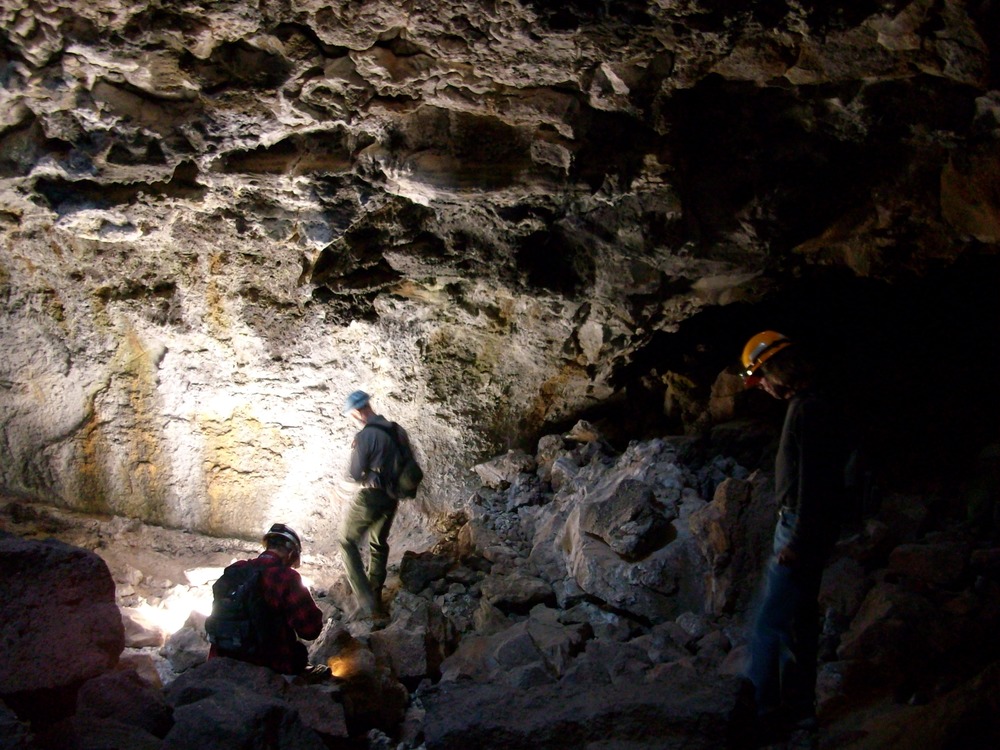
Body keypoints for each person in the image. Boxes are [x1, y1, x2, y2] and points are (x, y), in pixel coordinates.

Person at [740, 331, 846, 738]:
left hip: (800, 529)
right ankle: (799, 712)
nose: (761, 385)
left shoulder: (808, 410)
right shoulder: (813, 404)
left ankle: (761, 715)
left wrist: (797, 542)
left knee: (769, 624)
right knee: (799, 624)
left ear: (778, 369)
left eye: (761, 376)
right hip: (806, 527)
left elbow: (818, 483)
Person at [209, 523, 324, 675]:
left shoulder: (237, 569)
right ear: (291, 554)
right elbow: (310, 630)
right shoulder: (285, 577)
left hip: (222, 662)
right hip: (267, 666)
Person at [339, 389, 412, 623]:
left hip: (371, 496)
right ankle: (377, 596)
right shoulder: (395, 429)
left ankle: (366, 601)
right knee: (377, 543)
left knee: (346, 541)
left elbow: (354, 473)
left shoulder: (365, 436)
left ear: (357, 412)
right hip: (392, 496)